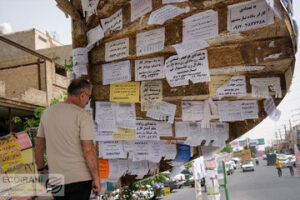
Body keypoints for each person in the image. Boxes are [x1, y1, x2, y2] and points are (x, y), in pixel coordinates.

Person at [35, 78, 100, 200]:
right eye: (89, 97)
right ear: (82, 95)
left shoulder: (47, 113)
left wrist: (40, 169)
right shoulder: (82, 115)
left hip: (57, 181)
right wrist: (96, 178)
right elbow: (88, 149)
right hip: (80, 179)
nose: (88, 101)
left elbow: (39, 145)